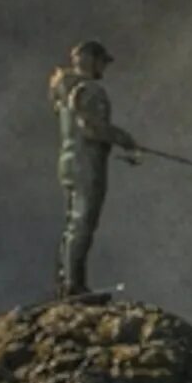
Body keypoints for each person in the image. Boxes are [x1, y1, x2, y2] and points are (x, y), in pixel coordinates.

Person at [48, 39, 141, 299]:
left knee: (72, 224)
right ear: (90, 60)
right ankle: (74, 286)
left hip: (67, 163)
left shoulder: (65, 91)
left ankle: (65, 282)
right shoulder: (90, 90)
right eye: (102, 62)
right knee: (83, 224)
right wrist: (126, 141)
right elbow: (93, 129)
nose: (104, 68)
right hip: (87, 164)